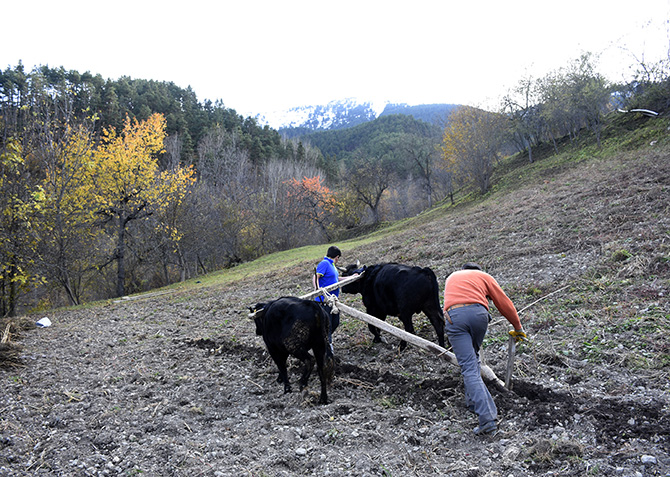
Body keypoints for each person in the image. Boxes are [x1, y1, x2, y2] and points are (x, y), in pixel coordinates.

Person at [443, 262, 527, 435]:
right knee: (472, 360)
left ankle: (487, 419)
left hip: (455, 317)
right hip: (479, 315)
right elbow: (504, 303)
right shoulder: (484, 277)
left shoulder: (452, 277)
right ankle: (473, 402)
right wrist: (518, 327)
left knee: (468, 366)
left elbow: (449, 300)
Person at [313, 246, 344, 345]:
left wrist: (351, 277)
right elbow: (315, 277)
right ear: (337, 257)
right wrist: (317, 289)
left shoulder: (332, 266)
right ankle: (328, 348)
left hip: (333, 300)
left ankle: (323, 341)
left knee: (335, 323)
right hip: (324, 301)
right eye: (338, 258)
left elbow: (336, 279)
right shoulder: (324, 263)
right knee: (328, 326)